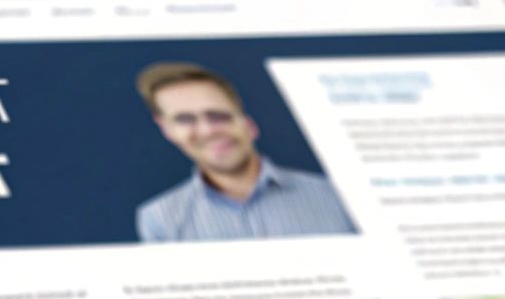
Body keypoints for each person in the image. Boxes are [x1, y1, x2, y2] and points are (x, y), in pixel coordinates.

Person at [133, 62, 356, 242]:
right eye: (185, 119)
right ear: (167, 130)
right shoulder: (158, 218)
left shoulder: (338, 197)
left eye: (219, 115)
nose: (208, 130)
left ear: (249, 124)